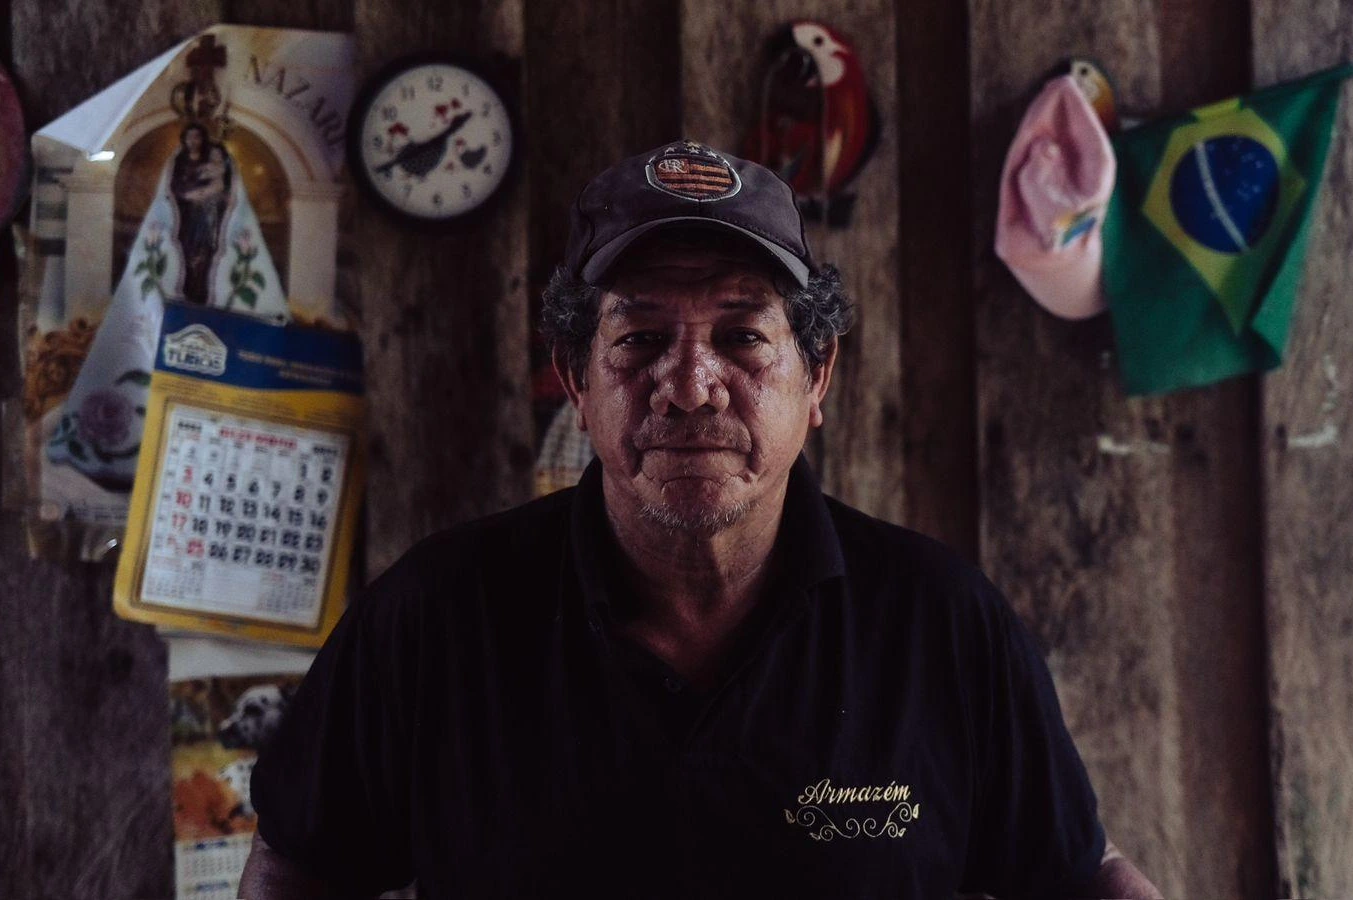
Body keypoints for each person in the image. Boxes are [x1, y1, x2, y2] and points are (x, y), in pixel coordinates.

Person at [242, 140, 1161, 899]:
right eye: (640, 339)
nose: (689, 386)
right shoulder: (436, 617)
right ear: (576, 378)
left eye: (741, 336)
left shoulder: (938, 622)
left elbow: (1080, 877)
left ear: (817, 375)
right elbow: (298, 865)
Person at [169, 122, 231, 304]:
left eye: (197, 137)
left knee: (205, 250)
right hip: (185, 213)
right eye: (189, 137)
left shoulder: (212, 160)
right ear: (184, 139)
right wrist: (187, 195)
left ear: (203, 139)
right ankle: (187, 289)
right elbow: (175, 185)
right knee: (186, 250)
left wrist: (204, 194)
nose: (193, 141)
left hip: (207, 213)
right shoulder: (180, 160)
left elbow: (221, 186)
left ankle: (202, 292)